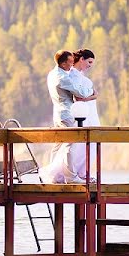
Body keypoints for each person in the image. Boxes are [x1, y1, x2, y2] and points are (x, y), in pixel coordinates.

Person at [43, 50, 95, 183]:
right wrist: (92, 91)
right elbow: (81, 92)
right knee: (70, 144)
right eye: (70, 62)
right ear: (64, 63)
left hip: (58, 113)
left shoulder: (52, 74)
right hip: (66, 113)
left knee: (59, 143)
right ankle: (71, 177)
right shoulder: (63, 77)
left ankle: (54, 176)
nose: (72, 65)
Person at [68, 49, 100, 181]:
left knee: (91, 142)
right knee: (81, 143)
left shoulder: (79, 75)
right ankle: (77, 172)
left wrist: (93, 94)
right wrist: (93, 96)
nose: (90, 65)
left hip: (90, 111)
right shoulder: (72, 74)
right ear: (81, 59)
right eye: (89, 62)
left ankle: (83, 171)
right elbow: (79, 97)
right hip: (83, 112)